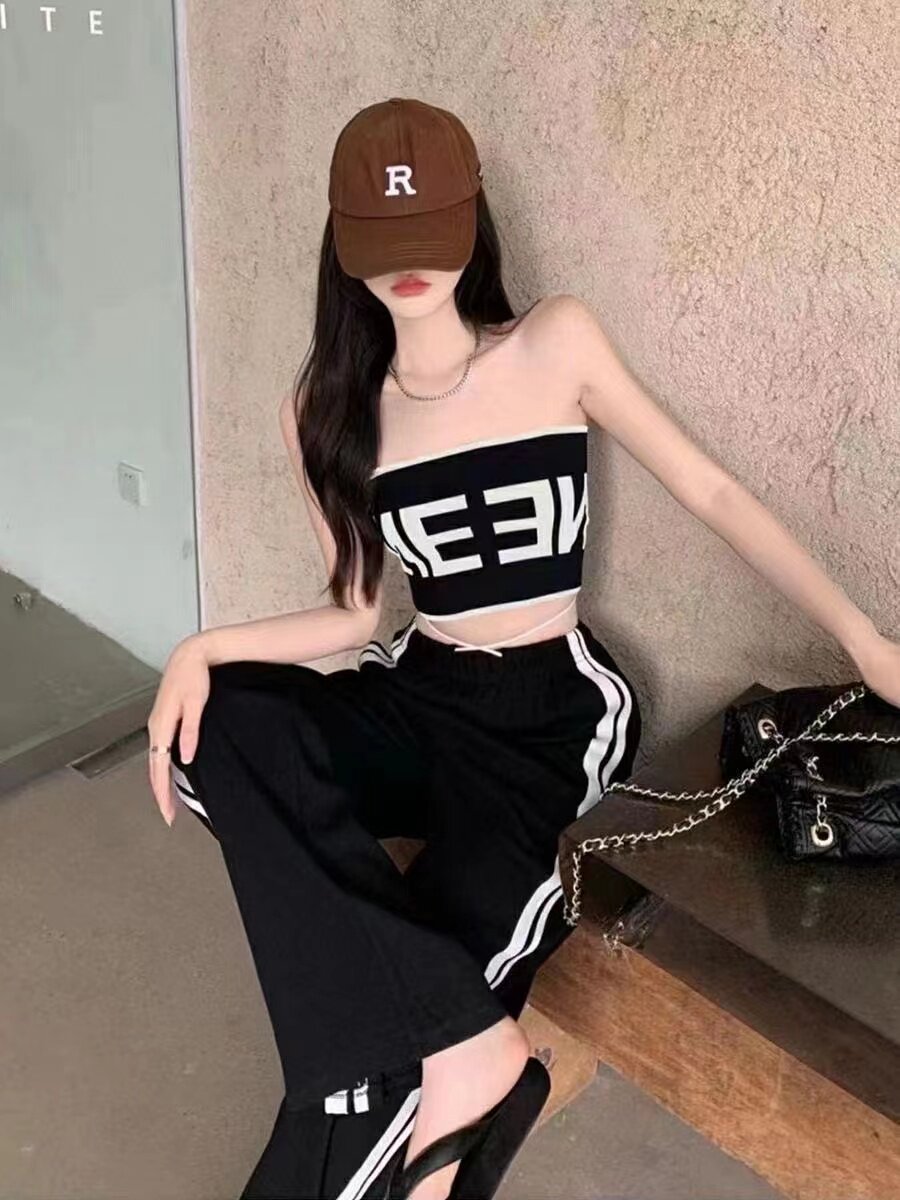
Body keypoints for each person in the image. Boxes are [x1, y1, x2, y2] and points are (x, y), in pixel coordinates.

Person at [147, 97, 897, 1200]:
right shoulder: (324, 409)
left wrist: (865, 638)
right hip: (414, 691)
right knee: (217, 730)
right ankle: (471, 1061)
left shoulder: (554, 342)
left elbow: (711, 491)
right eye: (382, 242)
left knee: (428, 977)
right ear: (342, 245)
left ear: (474, 220)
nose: (408, 268)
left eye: (428, 235)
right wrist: (202, 648)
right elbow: (355, 614)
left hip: (547, 716)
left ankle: (427, 1111)